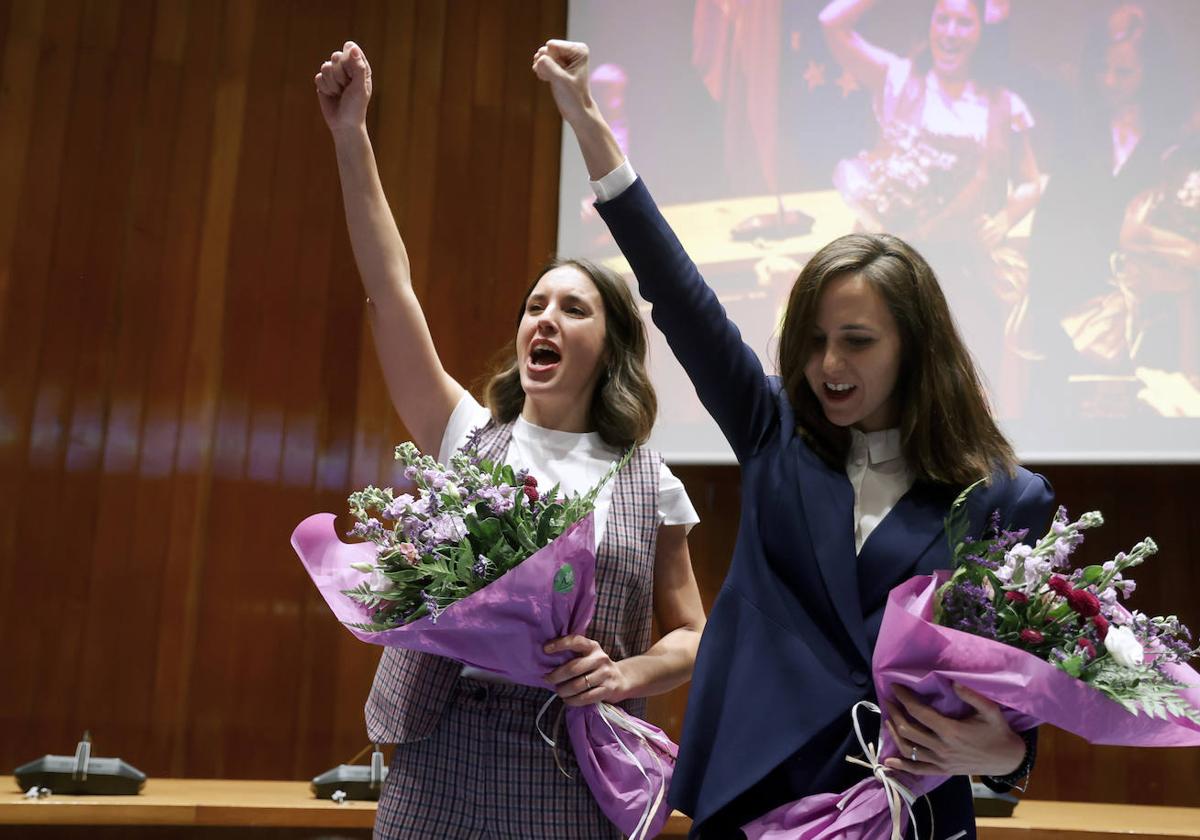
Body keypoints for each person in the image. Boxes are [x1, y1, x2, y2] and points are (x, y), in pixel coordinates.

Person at [534, 38, 1055, 839]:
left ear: (915, 346)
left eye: (856, 341)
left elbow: (1022, 699)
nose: (826, 365)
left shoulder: (1004, 497)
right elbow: (678, 290)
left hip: (905, 813)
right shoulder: (773, 428)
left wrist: (1005, 755)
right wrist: (590, 124)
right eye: (812, 340)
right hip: (755, 796)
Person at [313, 41, 706, 839]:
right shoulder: (465, 434)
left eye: (573, 308)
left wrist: (626, 672)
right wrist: (351, 133)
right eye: (535, 305)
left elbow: (695, 634)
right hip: (439, 764)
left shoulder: (650, 478)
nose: (545, 319)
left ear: (613, 346)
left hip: (573, 768)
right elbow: (390, 292)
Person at [821, 0, 1043, 390]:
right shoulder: (899, 78)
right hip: (891, 270)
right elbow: (831, 22)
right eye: (942, 19)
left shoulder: (1001, 104)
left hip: (964, 271)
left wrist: (1006, 217)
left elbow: (1030, 181)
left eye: (963, 22)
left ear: (982, 32)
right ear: (929, 25)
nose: (950, 33)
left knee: (958, 386)